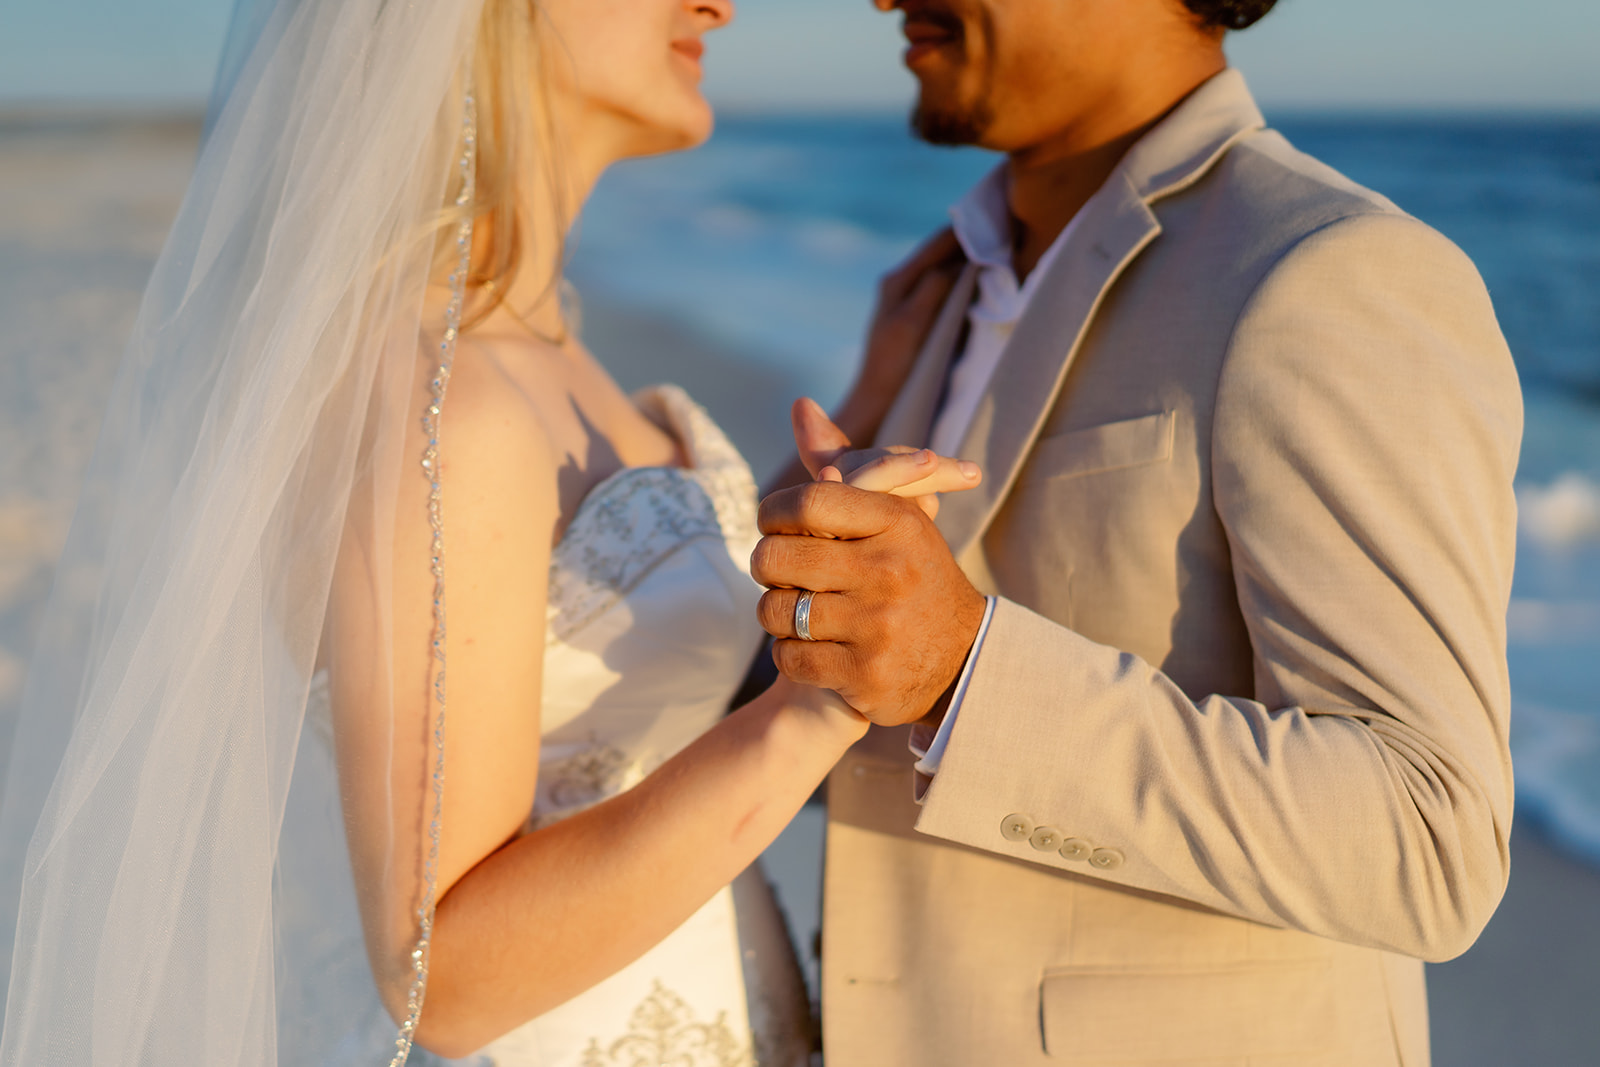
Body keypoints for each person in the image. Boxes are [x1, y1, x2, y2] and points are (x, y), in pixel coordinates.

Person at [0, 0, 974, 1063]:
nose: (716, 4)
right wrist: (828, 697)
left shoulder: (531, 355)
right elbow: (444, 975)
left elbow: (635, 664)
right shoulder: (442, 405)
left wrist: (870, 406)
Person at [752, 0, 1522, 1064]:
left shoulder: (1331, 269)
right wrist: (867, 408)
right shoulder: (940, 292)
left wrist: (963, 668)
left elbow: (1424, 839)